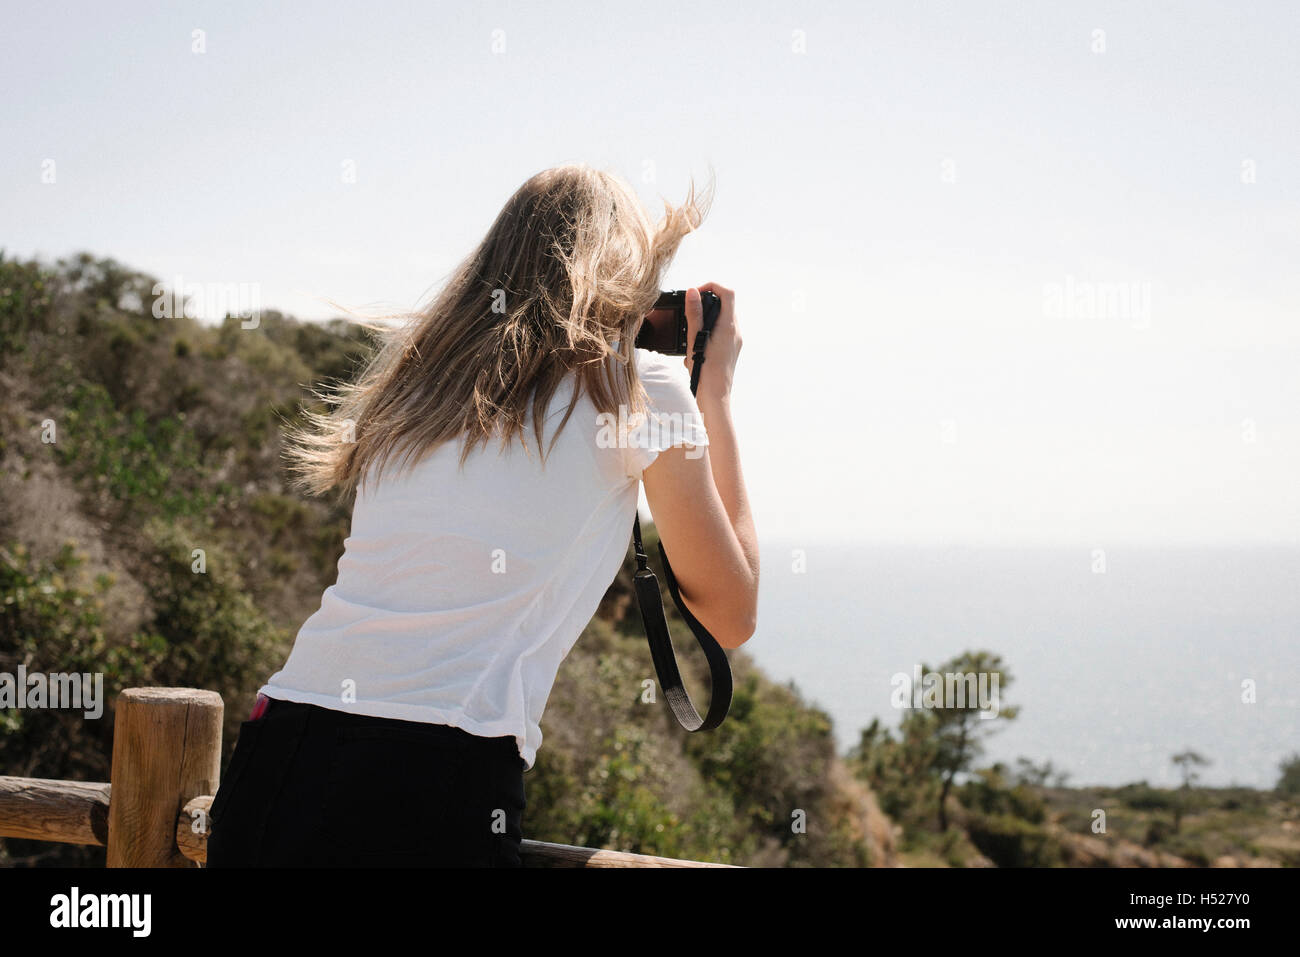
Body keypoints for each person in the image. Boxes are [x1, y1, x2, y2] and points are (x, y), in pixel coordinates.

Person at [204, 163, 759, 868]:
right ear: (626, 271)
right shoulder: (636, 390)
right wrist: (715, 394)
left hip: (278, 747)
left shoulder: (418, 385)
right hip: (435, 767)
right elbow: (731, 613)